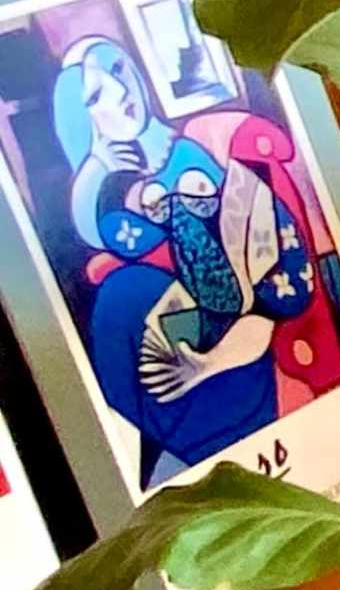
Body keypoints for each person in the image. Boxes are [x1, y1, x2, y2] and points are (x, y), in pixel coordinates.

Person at [53, 32, 318, 486]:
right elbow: (110, 231)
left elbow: (253, 260)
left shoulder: (186, 154)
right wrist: (121, 183)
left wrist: (210, 360)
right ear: (82, 121)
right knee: (124, 297)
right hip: (166, 340)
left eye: (118, 70)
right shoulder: (100, 196)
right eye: (95, 96)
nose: (119, 92)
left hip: (238, 327)